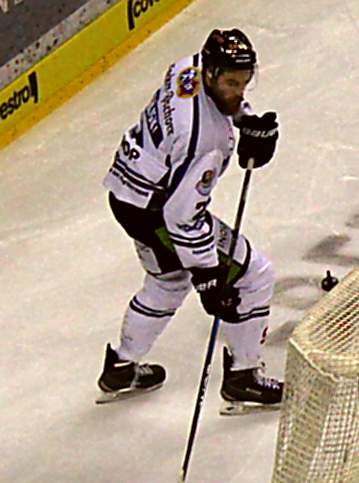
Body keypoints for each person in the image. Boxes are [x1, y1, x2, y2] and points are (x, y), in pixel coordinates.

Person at [98, 27, 283, 411]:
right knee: (255, 274)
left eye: (245, 82)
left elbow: (217, 109)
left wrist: (245, 120)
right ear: (213, 73)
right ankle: (243, 377)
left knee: (167, 281)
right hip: (160, 211)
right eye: (232, 82)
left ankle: (120, 366)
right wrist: (209, 276)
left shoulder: (187, 68)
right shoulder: (205, 140)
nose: (240, 91)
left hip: (128, 194)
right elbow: (182, 217)